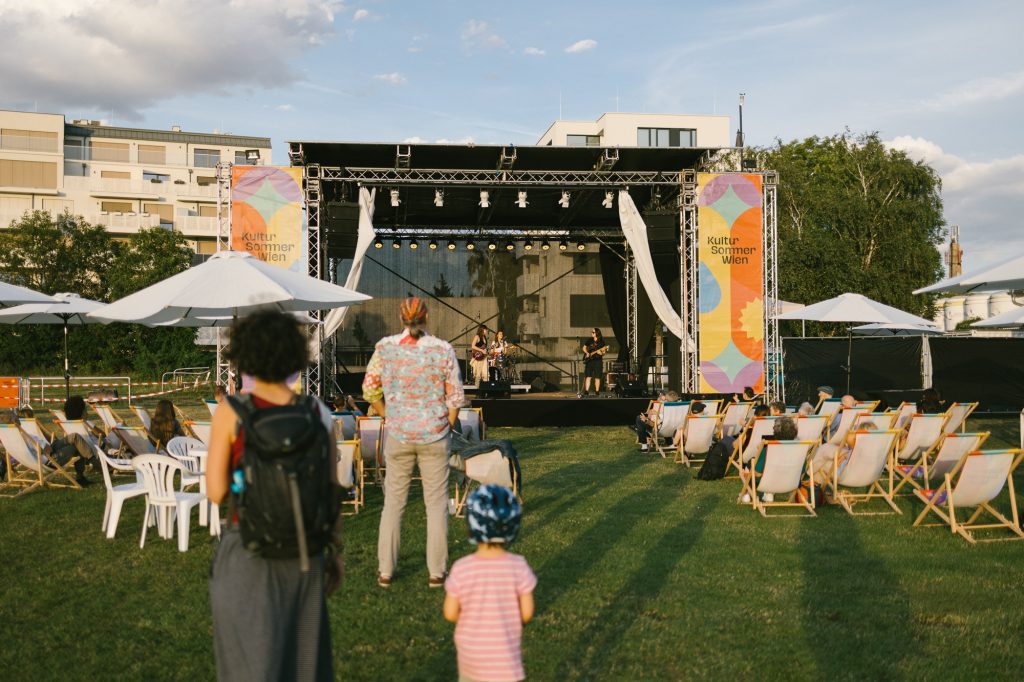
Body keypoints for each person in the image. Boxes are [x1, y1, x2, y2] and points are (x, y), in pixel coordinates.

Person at [205, 310, 342, 682]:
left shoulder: (231, 412)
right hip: (305, 553)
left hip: (248, 549)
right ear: (295, 356)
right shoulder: (318, 413)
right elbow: (331, 494)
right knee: (304, 666)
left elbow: (216, 491)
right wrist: (333, 553)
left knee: (250, 666)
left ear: (244, 356)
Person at [364, 297, 465, 588]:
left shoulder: (385, 348)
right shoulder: (442, 349)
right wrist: (448, 423)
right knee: (435, 506)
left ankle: (386, 570)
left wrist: (388, 416)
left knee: (393, 504)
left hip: (399, 434)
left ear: (401, 318)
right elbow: (455, 397)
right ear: (426, 317)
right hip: (435, 434)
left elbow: (369, 390)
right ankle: (436, 572)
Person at [444, 484, 536, 682]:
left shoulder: (462, 568)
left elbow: (450, 612)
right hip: (505, 659)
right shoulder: (518, 566)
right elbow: (527, 612)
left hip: (471, 658)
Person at [1, 408, 98, 486]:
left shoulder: (7, 435)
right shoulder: (24, 436)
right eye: (15, 417)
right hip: (50, 459)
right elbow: (46, 450)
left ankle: (92, 461)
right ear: (12, 421)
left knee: (75, 436)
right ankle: (87, 470)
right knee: (76, 445)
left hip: (42, 456)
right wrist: (47, 445)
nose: (17, 417)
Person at [581, 328, 608, 397]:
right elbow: (584, 348)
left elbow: (604, 352)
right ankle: (586, 391)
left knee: (597, 377)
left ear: (596, 333)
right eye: (592, 332)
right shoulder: (590, 340)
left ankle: (597, 392)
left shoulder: (601, 342)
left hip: (598, 361)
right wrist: (586, 353)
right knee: (588, 376)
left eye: (593, 332)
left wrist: (601, 353)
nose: (591, 333)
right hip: (589, 361)